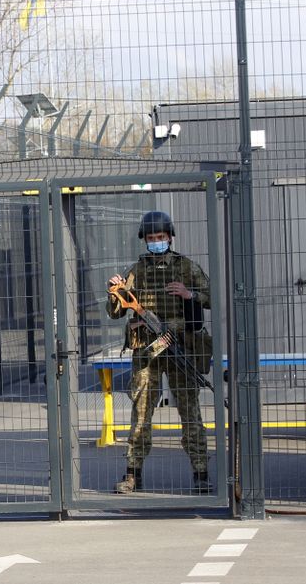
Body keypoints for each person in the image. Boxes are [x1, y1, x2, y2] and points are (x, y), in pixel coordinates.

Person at [106, 210, 213, 494]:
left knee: (190, 412)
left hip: (180, 347)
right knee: (141, 413)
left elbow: (212, 295)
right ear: (145, 239)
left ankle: (201, 473)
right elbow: (116, 311)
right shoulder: (136, 271)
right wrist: (114, 292)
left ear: (169, 237)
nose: (156, 242)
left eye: (161, 237)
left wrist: (190, 295)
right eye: (151, 238)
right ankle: (132, 474)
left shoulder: (185, 267)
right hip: (147, 351)